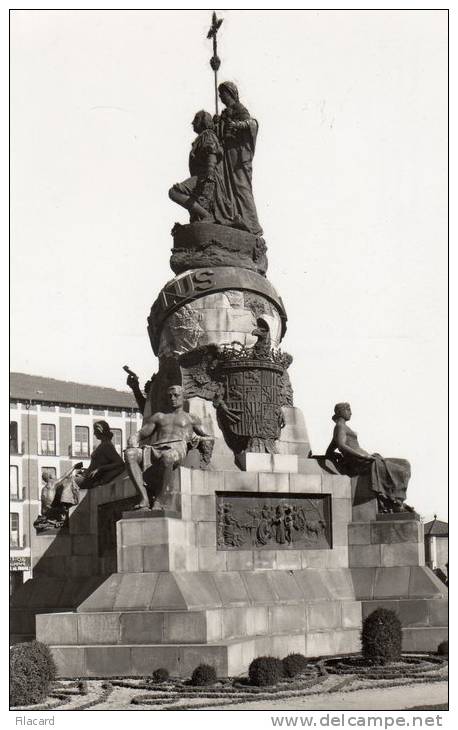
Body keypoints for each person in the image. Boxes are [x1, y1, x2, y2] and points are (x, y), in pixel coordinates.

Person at [124, 385, 212, 510]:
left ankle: (160, 500)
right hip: (155, 448)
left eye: (176, 395)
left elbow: (209, 437)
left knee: (168, 456)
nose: (172, 398)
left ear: (183, 397)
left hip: (176, 448)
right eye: (169, 396)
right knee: (130, 454)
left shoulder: (191, 418)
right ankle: (144, 498)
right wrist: (133, 438)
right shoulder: (159, 417)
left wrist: (199, 439)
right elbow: (141, 434)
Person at [325, 402, 412, 513]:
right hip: (361, 462)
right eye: (348, 409)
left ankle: (397, 499)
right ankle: (395, 502)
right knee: (400, 468)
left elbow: (330, 450)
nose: (351, 412)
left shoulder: (342, 427)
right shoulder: (339, 426)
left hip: (366, 459)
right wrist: (362, 456)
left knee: (405, 463)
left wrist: (335, 455)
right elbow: (341, 445)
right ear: (340, 412)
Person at [169, 110, 233, 225]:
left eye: (196, 119)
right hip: (202, 176)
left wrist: (209, 176)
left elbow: (212, 152)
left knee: (174, 192)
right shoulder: (203, 137)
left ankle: (206, 216)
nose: (193, 123)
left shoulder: (207, 135)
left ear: (203, 122)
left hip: (205, 176)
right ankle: (203, 215)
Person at [216, 81, 263, 235]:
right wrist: (218, 125)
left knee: (242, 187)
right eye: (219, 94)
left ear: (230, 94)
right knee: (229, 187)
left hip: (238, 156)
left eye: (222, 93)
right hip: (228, 155)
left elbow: (251, 126)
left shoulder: (240, 110)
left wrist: (237, 126)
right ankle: (236, 218)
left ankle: (253, 225)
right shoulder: (225, 113)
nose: (220, 96)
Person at [77, 420, 125, 489]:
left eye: (95, 431)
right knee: (67, 481)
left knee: (70, 482)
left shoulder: (107, 445)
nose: (94, 433)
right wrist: (84, 473)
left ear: (100, 431)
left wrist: (100, 469)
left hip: (91, 480)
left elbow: (119, 463)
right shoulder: (103, 445)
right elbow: (93, 465)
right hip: (87, 477)